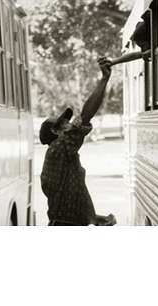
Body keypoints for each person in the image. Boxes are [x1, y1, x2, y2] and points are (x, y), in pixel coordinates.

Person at [40, 57, 117, 226]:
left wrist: (93, 218)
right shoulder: (59, 149)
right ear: (56, 132)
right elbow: (86, 115)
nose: (69, 123)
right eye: (64, 123)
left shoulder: (63, 155)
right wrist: (104, 79)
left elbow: (71, 198)